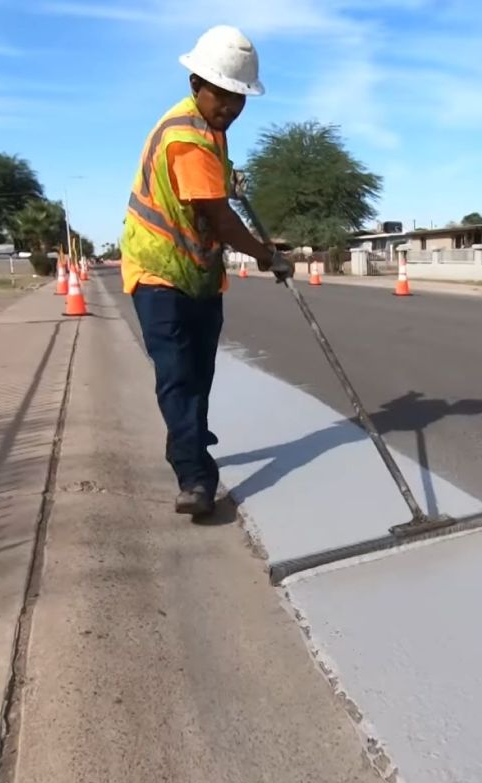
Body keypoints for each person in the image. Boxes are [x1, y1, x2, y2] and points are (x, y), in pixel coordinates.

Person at [121, 25, 294, 518]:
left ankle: (190, 434)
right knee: (177, 376)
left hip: (197, 271)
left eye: (240, 98)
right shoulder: (188, 138)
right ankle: (195, 478)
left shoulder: (212, 132)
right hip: (158, 271)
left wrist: (228, 182)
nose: (232, 108)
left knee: (199, 375)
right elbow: (218, 218)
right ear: (197, 83)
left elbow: (212, 201)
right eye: (224, 95)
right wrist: (266, 255)